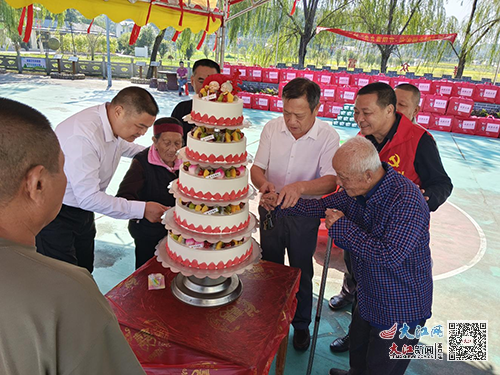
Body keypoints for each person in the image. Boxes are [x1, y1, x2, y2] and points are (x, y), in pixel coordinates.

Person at [0, 98, 146, 375]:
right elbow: (88, 195)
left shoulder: (110, 131)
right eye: (63, 169)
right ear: (37, 183)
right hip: (67, 219)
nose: (69, 178)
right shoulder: (65, 293)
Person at [268, 136, 433, 375]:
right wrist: (282, 203)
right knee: (358, 352)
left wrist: (344, 228)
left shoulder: (406, 200)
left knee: (381, 368)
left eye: (343, 177)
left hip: (400, 307)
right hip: (368, 294)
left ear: (367, 174)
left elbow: (389, 255)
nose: (339, 183)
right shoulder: (356, 189)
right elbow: (321, 206)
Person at [328, 82, 452, 353]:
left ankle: (379, 344)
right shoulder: (364, 139)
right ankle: (356, 334)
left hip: (396, 235)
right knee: (358, 277)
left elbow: (442, 184)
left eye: (366, 113)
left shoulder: (419, 140)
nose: (360, 119)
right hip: (359, 228)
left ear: (389, 110)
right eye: (356, 112)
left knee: (389, 292)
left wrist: (420, 200)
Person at [36, 87, 167, 273]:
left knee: (84, 269)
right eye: (140, 126)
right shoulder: (82, 137)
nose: (143, 133)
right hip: (57, 214)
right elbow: (89, 197)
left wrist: (164, 156)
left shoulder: (113, 124)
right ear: (119, 111)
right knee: (64, 276)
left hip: (83, 213)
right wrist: (142, 209)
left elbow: (128, 148)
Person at [250, 77, 340, 351]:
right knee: (270, 268)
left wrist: (300, 187)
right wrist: (263, 184)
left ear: (315, 109)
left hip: (305, 215)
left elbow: (331, 180)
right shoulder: (271, 128)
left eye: (299, 115)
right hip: (271, 207)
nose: (291, 121)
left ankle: (301, 325)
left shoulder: (328, 136)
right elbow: (257, 168)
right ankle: (270, 318)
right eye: (286, 112)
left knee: (300, 270)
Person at [117, 117, 184, 269]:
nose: (173, 149)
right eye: (167, 143)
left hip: (178, 233)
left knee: (175, 272)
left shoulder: (186, 162)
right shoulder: (142, 163)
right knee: (150, 275)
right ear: (155, 140)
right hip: (148, 234)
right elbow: (124, 198)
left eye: (177, 143)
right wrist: (145, 209)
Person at [171, 58, 220, 143]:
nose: (206, 87)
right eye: (201, 81)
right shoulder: (181, 110)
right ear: (193, 81)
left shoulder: (227, 114)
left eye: (211, 83)